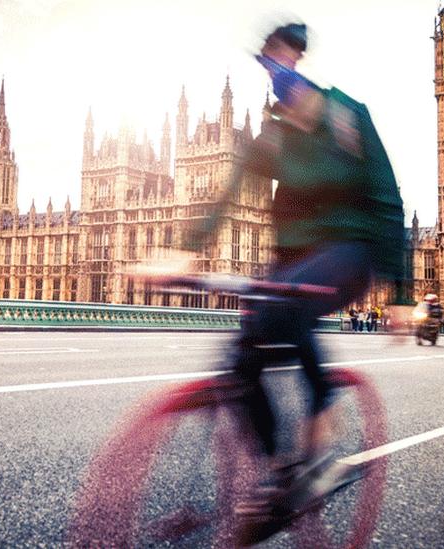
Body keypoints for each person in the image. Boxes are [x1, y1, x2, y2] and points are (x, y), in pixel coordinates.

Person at [182, 21, 405, 543]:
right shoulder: (273, 136)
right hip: (295, 258)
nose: (275, 71)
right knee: (242, 351)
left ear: (298, 61)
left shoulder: (346, 115)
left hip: (351, 251)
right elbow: (227, 193)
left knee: (293, 297)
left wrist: (402, 295)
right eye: (266, 64)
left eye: (281, 60)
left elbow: (388, 200)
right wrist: (187, 248)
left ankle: (323, 434)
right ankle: (277, 473)